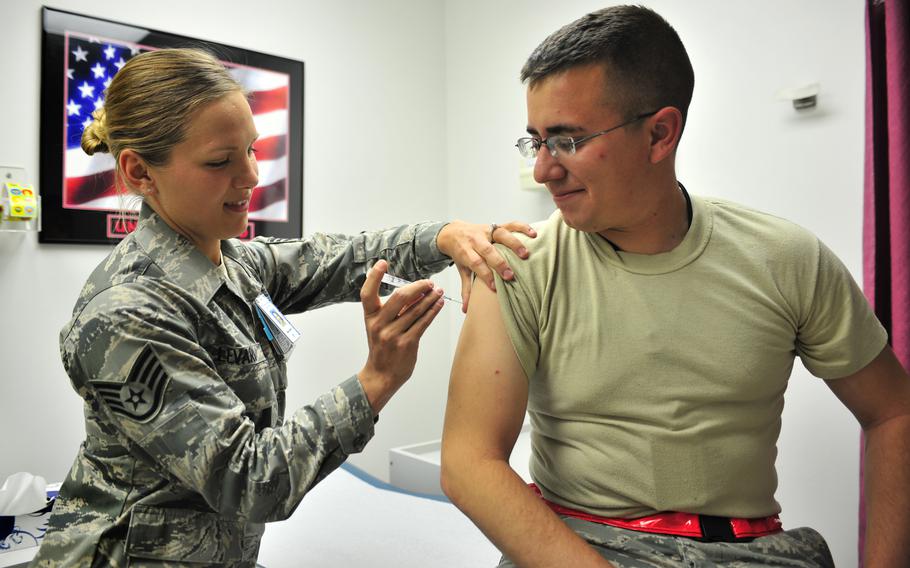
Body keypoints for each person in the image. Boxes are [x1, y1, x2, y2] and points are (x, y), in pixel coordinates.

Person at [440, 5, 910, 568]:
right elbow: (468, 461)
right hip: (579, 548)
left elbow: (893, 412)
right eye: (534, 141)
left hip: (746, 550)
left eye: (566, 141)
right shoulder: (517, 266)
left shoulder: (785, 259)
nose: (542, 170)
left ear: (660, 133)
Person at [32, 48, 534, 567]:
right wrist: (377, 379)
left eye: (251, 149)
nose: (251, 176)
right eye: (219, 161)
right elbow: (249, 480)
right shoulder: (128, 314)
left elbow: (340, 258)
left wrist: (445, 236)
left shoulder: (232, 263)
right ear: (140, 172)